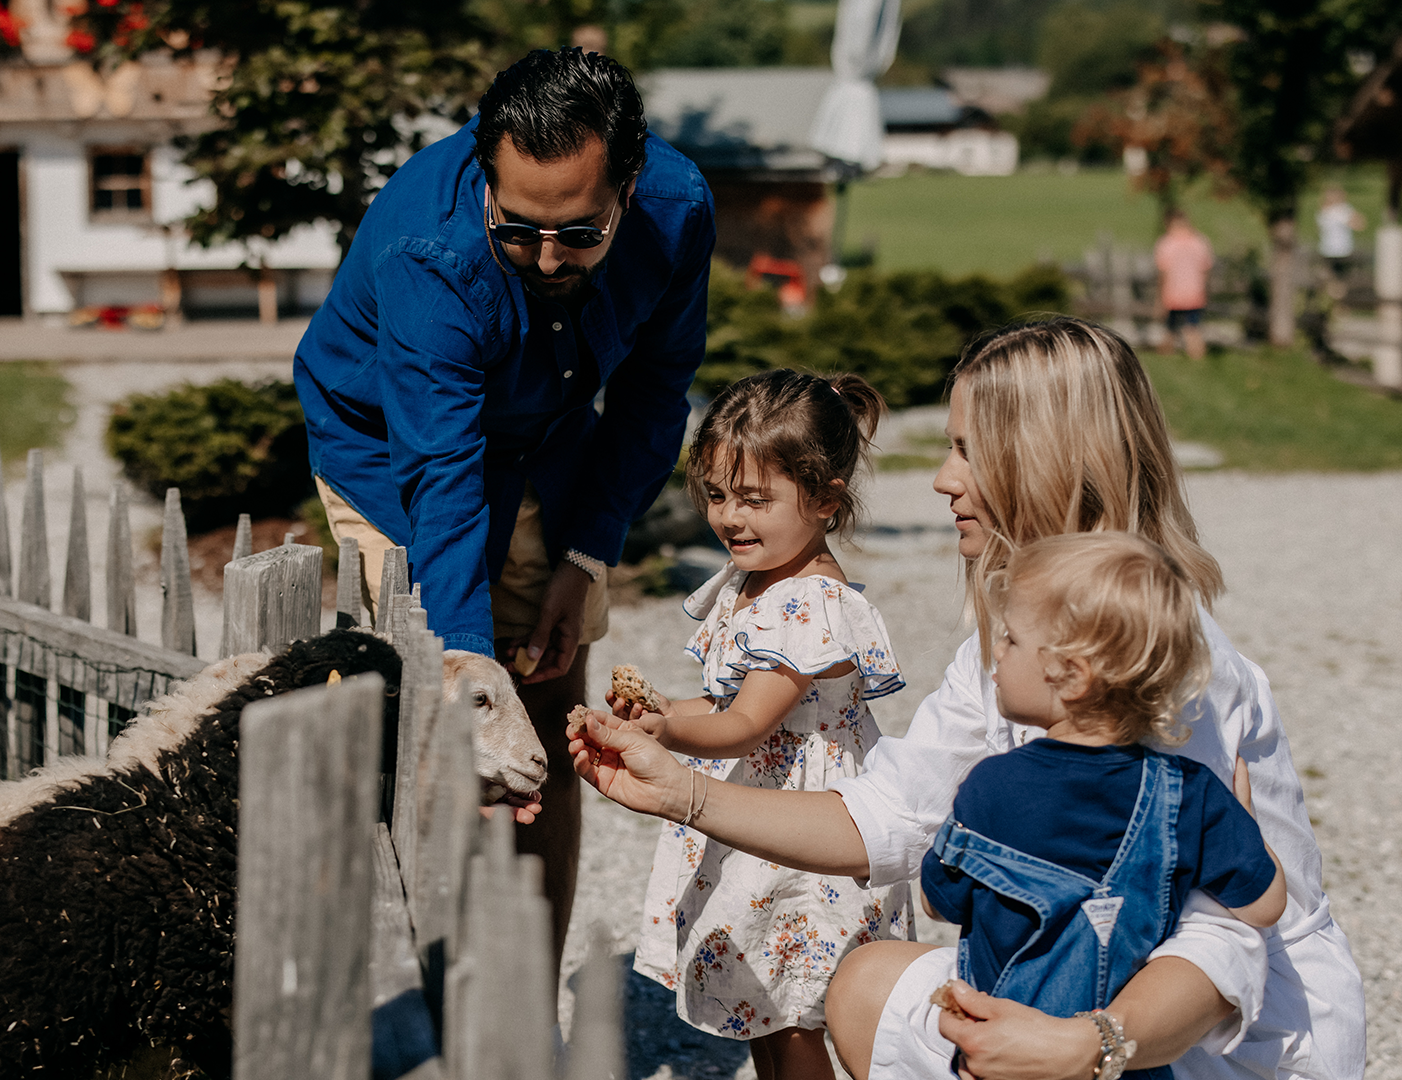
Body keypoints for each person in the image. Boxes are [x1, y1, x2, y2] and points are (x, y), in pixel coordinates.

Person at [567, 317, 1364, 1080]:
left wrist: (1087, 1047)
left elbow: (1225, 933)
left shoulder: (1170, 668)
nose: (945, 480)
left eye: (967, 452)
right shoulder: (1006, 654)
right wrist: (684, 792)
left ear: (1052, 462)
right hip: (1077, 979)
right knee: (866, 981)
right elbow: (889, 815)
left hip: (1204, 1036)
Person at [294, 47, 715, 969]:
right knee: (445, 718)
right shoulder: (428, 250)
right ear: (486, 177)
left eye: (580, 233)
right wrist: (466, 666)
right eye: (518, 231)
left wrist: (587, 556)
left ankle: (523, 1012)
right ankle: (429, 990)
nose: (549, 258)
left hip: (550, 433)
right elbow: (440, 471)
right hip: (392, 448)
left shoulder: (679, 209)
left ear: (631, 187)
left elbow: (654, 394)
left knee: (548, 719)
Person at [607, 369, 908, 1080]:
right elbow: (724, 703)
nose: (729, 517)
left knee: (797, 1008)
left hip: (797, 831)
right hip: (757, 820)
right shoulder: (759, 579)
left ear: (826, 500)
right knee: (762, 1007)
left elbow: (744, 725)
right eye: (715, 495)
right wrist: (655, 714)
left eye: (754, 499)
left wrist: (669, 735)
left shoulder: (810, 603)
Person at [920, 532, 1287, 1080]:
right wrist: (1247, 827)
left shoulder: (990, 785)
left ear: (1072, 673)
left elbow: (937, 902)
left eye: (1012, 640)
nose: (996, 651)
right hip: (1114, 1061)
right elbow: (1264, 907)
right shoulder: (1187, 793)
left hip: (1002, 1053)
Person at [1154, 211, 1214, 361]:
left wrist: (1160, 296)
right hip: (1195, 293)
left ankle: (1169, 356)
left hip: (1173, 292)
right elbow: (1206, 269)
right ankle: (1196, 356)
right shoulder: (1200, 242)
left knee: (1171, 327)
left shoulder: (1166, 243)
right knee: (1191, 326)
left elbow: (1163, 273)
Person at [1315, 186, 1365, 300]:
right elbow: (1359, 224)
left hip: (1338, 250)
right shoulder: (1336, 210)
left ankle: (1335, 302)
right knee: (1336, 278)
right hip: (1334, 249)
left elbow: (1359, 224)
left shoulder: (1334, 210)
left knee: (1337, 279)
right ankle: (1335, 302)